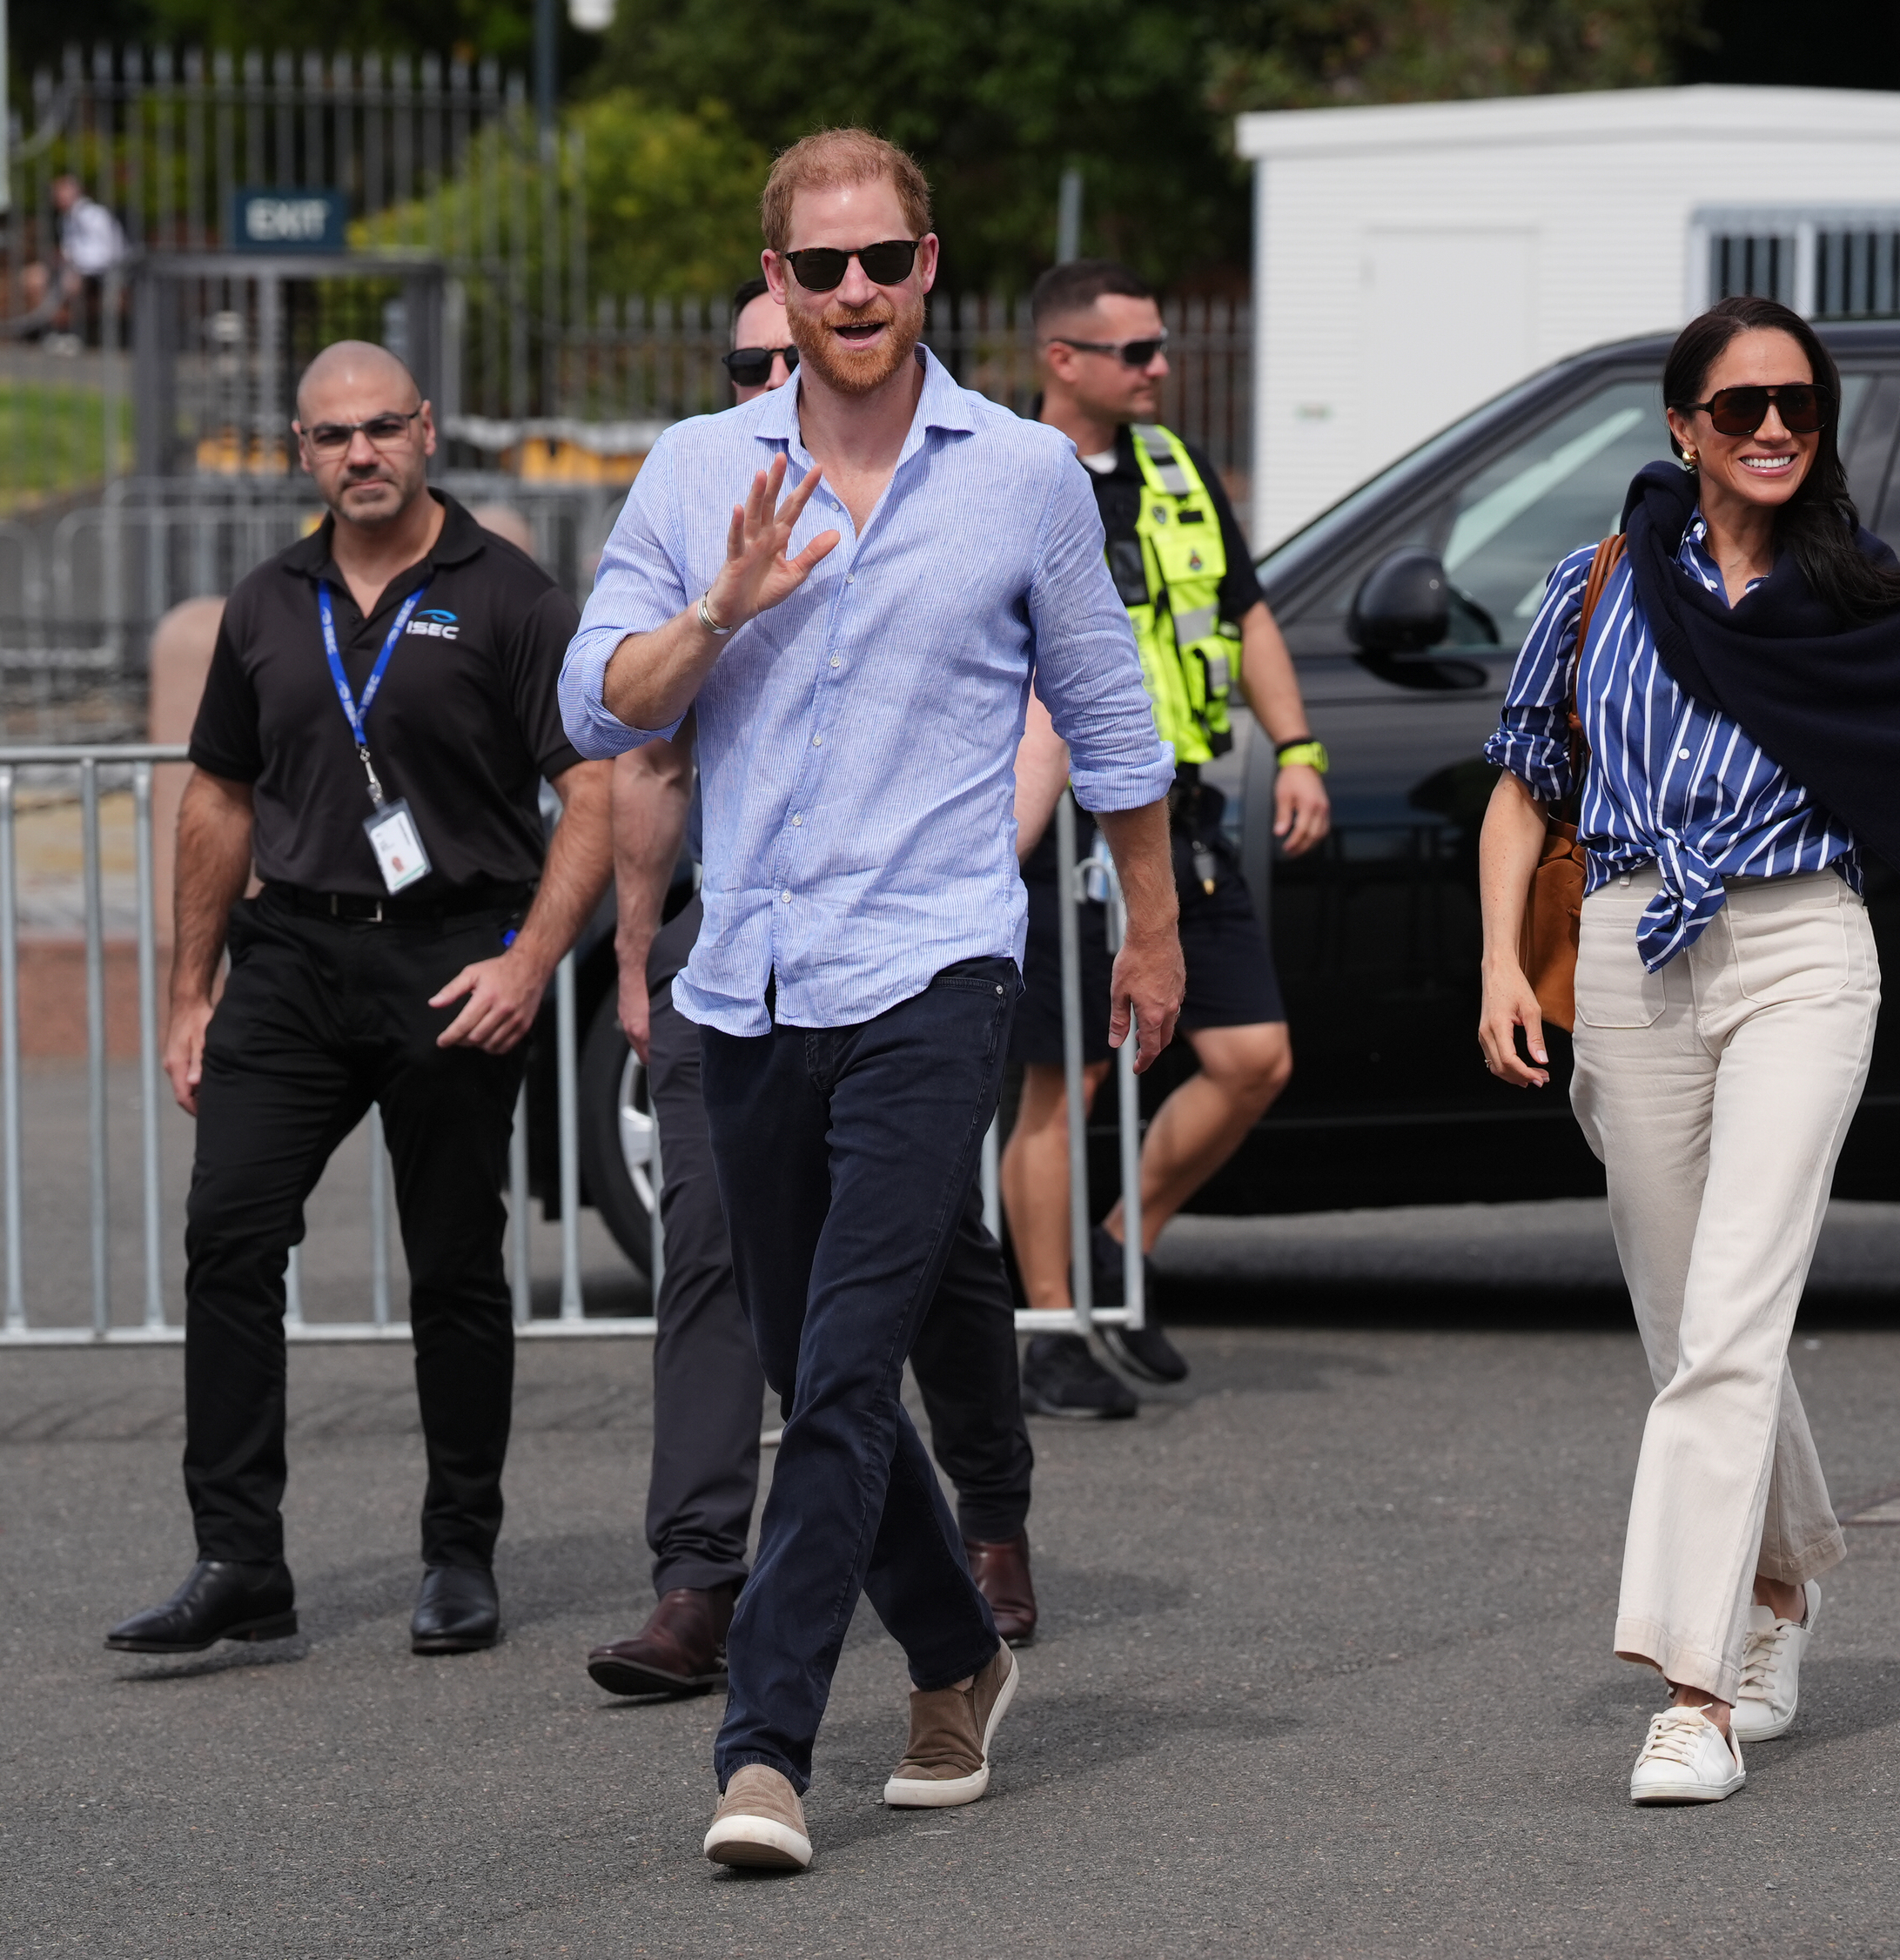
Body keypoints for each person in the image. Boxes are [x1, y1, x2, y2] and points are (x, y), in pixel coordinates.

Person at [561, 129, 1180, 1874]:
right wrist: (721, 611)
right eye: (818, 267)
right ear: (774, 282)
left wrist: (1151, 926)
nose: (854, 293)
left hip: (939, 956)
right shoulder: (697, 472)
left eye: (884, 262)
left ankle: (761, 1752)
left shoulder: (1022, 476)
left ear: (929, 267)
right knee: (816, 1361)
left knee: (832, 1368)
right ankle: (961, 1653)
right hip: (746, 973)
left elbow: (1113, 719)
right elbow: (597, 706)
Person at [1476, 296, 1900, 1807]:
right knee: (1690, 1327)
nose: (1774, 426)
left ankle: (1695, 1688)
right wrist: (1498, 963)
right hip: (1631, 949)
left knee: (1730, 1312)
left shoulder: (1868, 601)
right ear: (1681, 428)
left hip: (1798, 952)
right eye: (1740, 406)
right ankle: (1782, 1592)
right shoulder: (1594, 586)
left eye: (1799, 404)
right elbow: (1525, 786)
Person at [107, 340, 613, 1661]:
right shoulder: (268, 601)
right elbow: (217, 795)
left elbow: (596, 792)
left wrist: (529, 961)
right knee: (227, 1234)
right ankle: (238, 1560)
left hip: (453, 957)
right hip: (291, 959)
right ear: (300, 450)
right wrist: (188, 992)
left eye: (382, 428)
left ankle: (459, 1554)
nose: (361, 455)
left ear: (427, 429)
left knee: (451, 1265)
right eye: (333, 437)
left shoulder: (505, 595)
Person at [584, 277, 1042, 1699]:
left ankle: (984, 1520)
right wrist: (635, 949)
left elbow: (1050, 712)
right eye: (750, 362)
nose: (775, 381)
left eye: (800, 357)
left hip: (923, 954)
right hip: (739, 967)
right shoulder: (701, 509)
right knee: (733, 1273)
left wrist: (972, 881)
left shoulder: (965, 497)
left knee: (916, 1285)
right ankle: (694, 1577)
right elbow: (637, 746)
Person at [1001, 258, 1330, 1416]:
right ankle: (1046, 1325)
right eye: (1136, 350)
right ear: (1063, 361)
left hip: (1175, 811)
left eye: (1161, 346)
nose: (1160, 368)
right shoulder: (1006, 475)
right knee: (1067, 1080)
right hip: (1058, 820)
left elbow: (1244, 613)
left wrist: (1295, 749)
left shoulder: (1179, 467)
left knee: (1253, 1058)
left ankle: (1114, 1246)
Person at [23, 172, 127, 352]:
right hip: (72, 269)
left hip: (101, 272)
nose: (57, 198)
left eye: (62, 192)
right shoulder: (65, 219)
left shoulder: (94, 215)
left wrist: (74, 259)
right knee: (33, 278)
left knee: (71, 282)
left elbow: (110, 251)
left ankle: (71, 333)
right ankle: (51, 329)